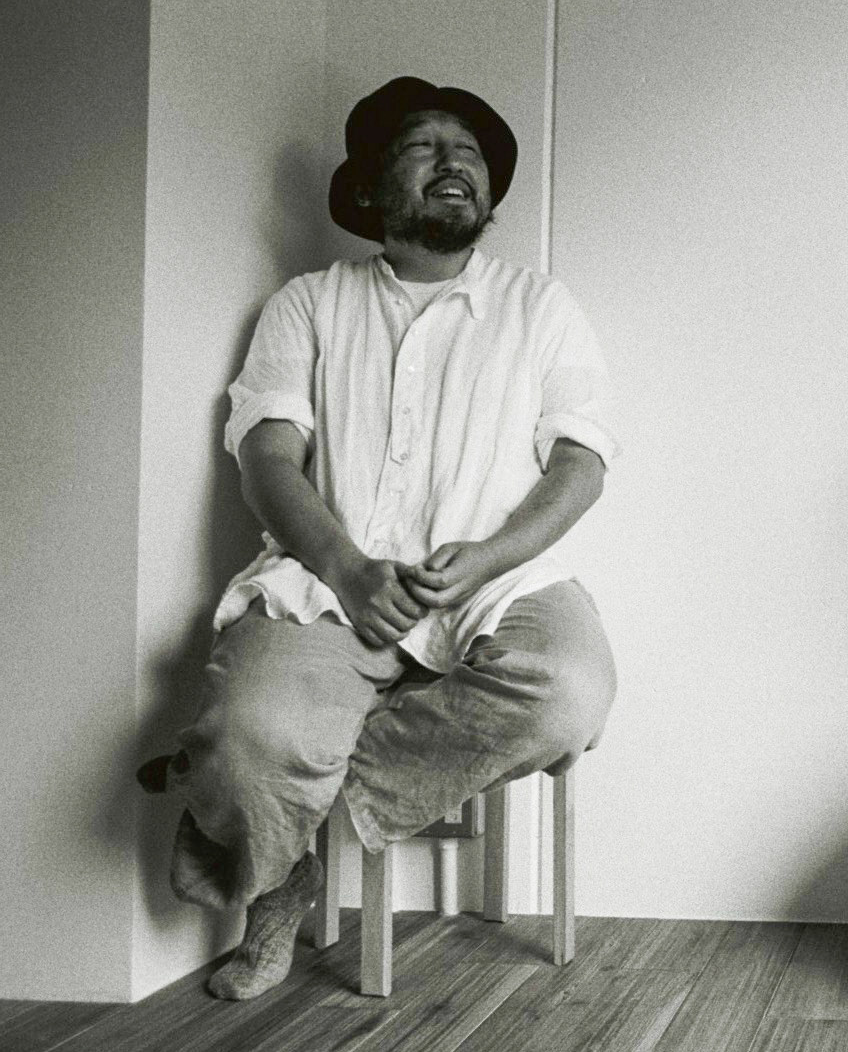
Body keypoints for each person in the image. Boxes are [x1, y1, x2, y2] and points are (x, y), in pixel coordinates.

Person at [137, 76, 618, 1000]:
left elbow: (581, 464)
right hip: (330, 581)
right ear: (368, 188)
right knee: (249, 736)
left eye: (469, 153)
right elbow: (267, 457)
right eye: (424, 147)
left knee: (570, 691)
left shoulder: (540, 304)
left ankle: (294, 826)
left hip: (495, 583)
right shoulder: (308, 302)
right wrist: (347, 568)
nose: (454, 163)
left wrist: (489, 558)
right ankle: (272, 854)